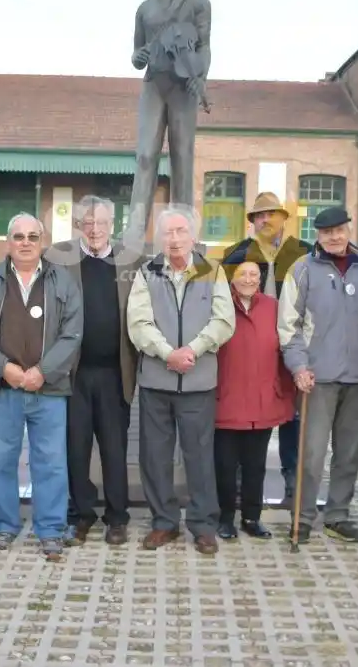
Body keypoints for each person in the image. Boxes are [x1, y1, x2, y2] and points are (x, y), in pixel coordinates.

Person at [0, 213, 82, 562]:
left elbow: (73, 332)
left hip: (49, 388)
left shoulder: (63, 280)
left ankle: (50, 530)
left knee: (51, 462)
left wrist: (43, 371)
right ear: (8, 242)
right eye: (18, 236)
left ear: (41, 241)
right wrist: (5, 368)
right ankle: (5, 525)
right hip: (3, 389)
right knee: (0, 460)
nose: (25, 242)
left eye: (32, 236)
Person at [126, 205, 235, 555]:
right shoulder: (146, 272)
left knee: (200, 456)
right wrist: (166, 353)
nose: (174, 240)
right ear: (160, 237)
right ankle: (164, 523)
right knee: (155, 456)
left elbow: (223, 320)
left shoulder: (212, 271)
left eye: (181, 232)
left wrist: (193, 349)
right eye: (168, 233)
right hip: (157, 381)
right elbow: (138, 323)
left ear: (193, 236)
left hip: (198, 381)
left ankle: (203, 525)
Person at [277, 207, 358, 544]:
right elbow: (287, 326)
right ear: (318, 235)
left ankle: (338, 515)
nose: (334, 237)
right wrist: (298, 366)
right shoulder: (302, 270)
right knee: (312, 453)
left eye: (340, 230)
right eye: (327, 232)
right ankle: (304, 515)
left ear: (349, 230)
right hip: (316, 377)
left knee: (349, 453)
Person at [51, 196, 139, 547]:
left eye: (101, 222)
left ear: (112, 224)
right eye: (87, 223)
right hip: (74, 373)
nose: (95, 229)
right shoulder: (58, 258)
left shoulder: (131, 260)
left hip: (116, 372)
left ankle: (117, 518)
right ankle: (81, 515)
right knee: (76, 448)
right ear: (78, 226)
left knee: (115, 449)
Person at [220, 191, 312, 503]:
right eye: (259, 215)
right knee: (247, 418)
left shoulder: (304, 255)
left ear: (284, 219)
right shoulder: (236, 254)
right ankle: (239, 484)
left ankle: (291, 481)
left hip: (291, 346)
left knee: (291, 417)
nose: (266, 219)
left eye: (272, 213)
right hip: (249, 347)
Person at [126, 0, 213, 248]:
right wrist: (140, 55)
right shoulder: (145, 8)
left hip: (183, 83)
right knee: (146, 155)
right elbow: (137, 54)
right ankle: (134, 235)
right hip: (153, 83)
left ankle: (183, 231)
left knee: (182, 157)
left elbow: (203, 45)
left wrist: (199, 75)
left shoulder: (198, 2)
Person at [214, 260, 294, 541]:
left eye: (254, 275)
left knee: (255, 464)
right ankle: (224, 517)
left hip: (262, 399)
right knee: (224, 465)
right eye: (242, 274)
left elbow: (287, 344)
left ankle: (251, 517)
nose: (248, 279)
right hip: (227, 398)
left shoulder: (273, 307)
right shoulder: (220, 305)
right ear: (230, 278)